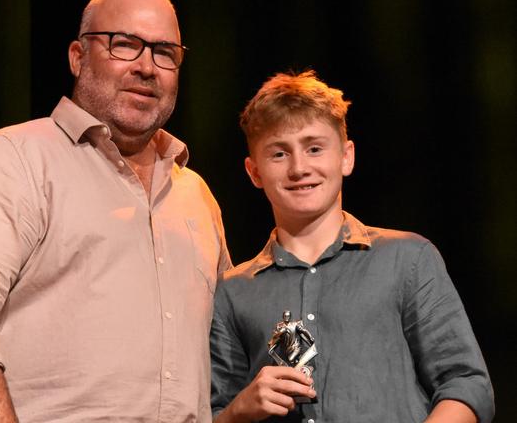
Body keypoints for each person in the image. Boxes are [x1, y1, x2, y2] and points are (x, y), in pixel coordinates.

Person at [0, 0, 232, 423]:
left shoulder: (196, 195)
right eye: (125, 45)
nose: (147, 67)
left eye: (165, 52)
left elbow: (227, 347)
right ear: (78, 57)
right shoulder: (17, 158)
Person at [210, 70, 494, 422]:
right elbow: (214, 410)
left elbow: (466, 383)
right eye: (279, 154)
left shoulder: (408, 259)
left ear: (346, 157)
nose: (299, 167)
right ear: (254, 172)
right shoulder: (233, 292)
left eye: (314, 148)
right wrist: (240, 409)